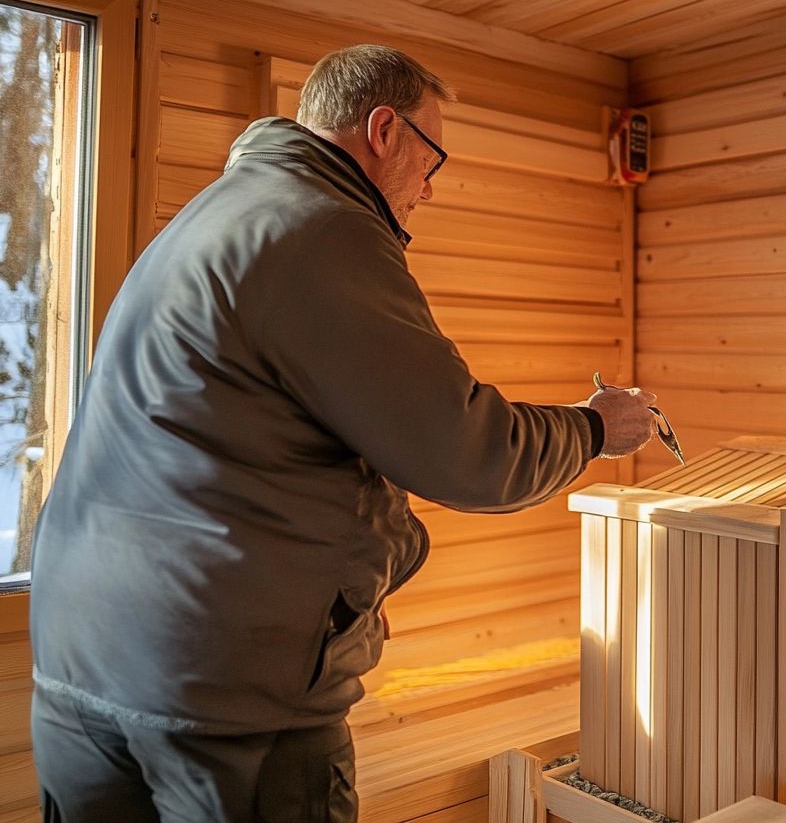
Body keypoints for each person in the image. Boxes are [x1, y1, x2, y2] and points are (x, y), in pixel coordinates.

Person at [28, 44, 659, 822]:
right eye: (434, 158)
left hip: (82, 660)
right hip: (226, 695)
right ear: (384, 130)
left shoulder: (215, 215)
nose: (431, 188)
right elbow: (467, 452)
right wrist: (595, 429)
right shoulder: (323, 230)